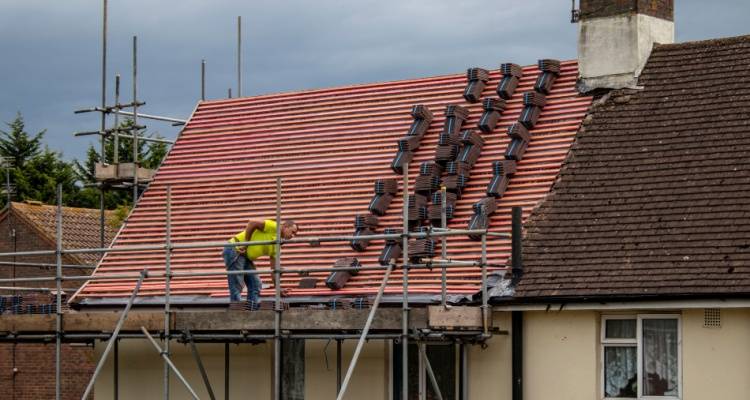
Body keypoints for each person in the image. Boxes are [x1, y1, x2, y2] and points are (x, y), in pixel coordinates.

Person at [224, 219, 298, 304]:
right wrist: (246, 243)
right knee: (237, 282)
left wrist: (278, 289)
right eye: (292, 232)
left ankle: (251, 309)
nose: (293, 236)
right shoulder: (275, 227)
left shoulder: (276, 246)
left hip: (246, 257)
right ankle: (236, 311)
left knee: (255, 284)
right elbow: (252, 223)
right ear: (285, 227)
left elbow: (274, 270)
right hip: (235, 249)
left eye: (295, 234)